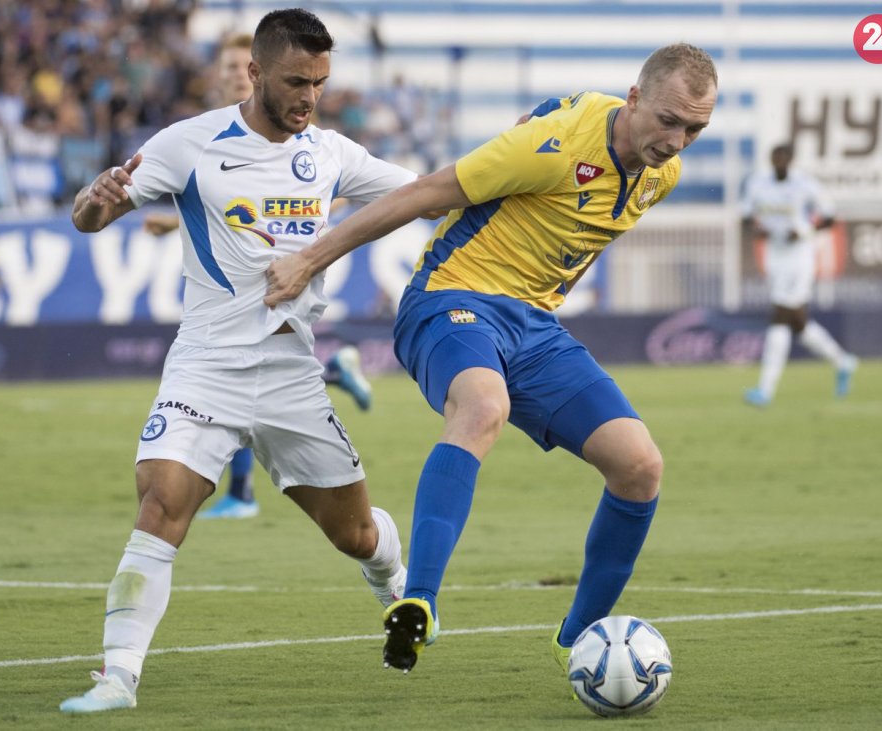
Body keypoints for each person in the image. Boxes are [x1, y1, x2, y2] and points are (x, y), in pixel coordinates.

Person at [264, 43, 718, 674]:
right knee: (483, 407)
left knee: (640, 466)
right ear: (635, 98)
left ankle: (579, 645)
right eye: (668, 120)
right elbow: (427, 192)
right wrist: (309, 259)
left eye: (694, 129)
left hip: (533, 326)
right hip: (451, 297)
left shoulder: (660, 175)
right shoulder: (555, 146)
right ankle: (417, 601)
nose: (676, 141)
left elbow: (562, 158)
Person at [60, 9, 415, 713]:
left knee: (355, 534)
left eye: (319, 82)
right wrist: (95, 201)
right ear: (254, 73)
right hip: (205, 366)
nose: (309, 97)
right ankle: (118, 676)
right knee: (162, 502)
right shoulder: (187, 144)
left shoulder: (332, 154)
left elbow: (423, 192)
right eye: (295, 82)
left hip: (290, 373)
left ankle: (394, 582)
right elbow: (89, 217)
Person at [142, 33, 373, 521]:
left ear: (255, 71)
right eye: (225, 66)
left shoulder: (304, 137)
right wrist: (170, 220)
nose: (231, 75)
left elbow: (300, 197)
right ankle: (333, 372)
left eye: (236, 66)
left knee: (252, 371)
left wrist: (311, 244)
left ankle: (243, 492)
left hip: (280, 295)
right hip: (222, 315)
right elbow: (226, 205)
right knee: (234, 383)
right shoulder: (202, 137)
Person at [741, 143, 858, 407]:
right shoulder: (757, 184)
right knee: (798, 323)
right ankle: (843, 361)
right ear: (771, 159)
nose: (779, 161)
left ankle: (765, 390)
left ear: (791, 160)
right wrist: (757, 230)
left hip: (799, 257)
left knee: (780, 317)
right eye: (776, 156)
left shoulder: (805, 184)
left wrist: (804, 232)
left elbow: (829, 217)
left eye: (784, 157)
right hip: (775, 255)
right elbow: (745, 217)